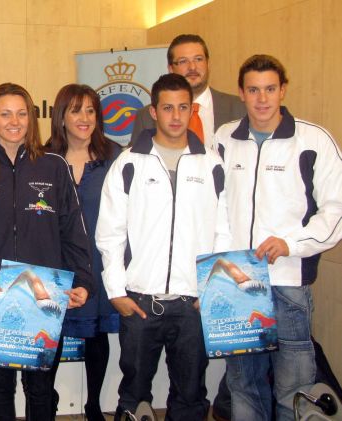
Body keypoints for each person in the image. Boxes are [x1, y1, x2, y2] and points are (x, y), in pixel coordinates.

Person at [213, 54, 342, 421]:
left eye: (270, 88)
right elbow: (214, 207)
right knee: (243, 387)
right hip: (237, 283)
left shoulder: (312, 140)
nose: (262, 98)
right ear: (241, 93)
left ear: (283, 90)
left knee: (294, 392)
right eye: (253, 90)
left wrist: (292, 242)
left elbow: (336, 208)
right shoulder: (224, 139)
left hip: (289, 284)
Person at [96, 73, 231, 420]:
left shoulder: (212, 163)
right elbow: (110, 233)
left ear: (191, 111)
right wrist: (116, 291)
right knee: (134, 393)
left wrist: (212, 288)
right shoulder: (128, 163)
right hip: (140, 301)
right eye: (167, 108)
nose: (175, 116)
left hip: (193, 303)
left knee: (191, 395)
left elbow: (224, 231)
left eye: (183, 107)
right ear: (153, 112)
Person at [0, 82, 93, 420]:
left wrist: (84, 281)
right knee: (0, 384)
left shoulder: (53, 166)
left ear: (31, 119)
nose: (14, 121)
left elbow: (73, 230)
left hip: (44, 296)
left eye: (22, 114)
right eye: (5, 114)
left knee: (42, 385)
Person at [45, 83, 120, 421]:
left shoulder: (115, 157)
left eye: (91, 110)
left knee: (96, 335)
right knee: (51, 336)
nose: (84, 118)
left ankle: (92, 405)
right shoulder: (41, 159)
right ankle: (47, 399)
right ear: (61, 116)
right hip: (54, 264)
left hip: (98, 263)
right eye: (76, 110)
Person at [130, 34, 244, 145]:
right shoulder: (146, 117)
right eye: (183, 61)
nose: (192, 67)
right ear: (170, 68)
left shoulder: (239, 108)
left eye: (198, 59)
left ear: (208, 64)